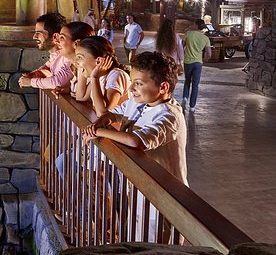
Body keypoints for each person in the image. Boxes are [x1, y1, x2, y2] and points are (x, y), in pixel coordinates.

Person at [83, 51, 187, 186]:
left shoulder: (169, 116)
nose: (131, 88)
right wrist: (97, 124)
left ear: (163, 87)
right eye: (132, 82)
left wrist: (97, 132)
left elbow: (136, 141)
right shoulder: (136, 101)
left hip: (163, 189)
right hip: (138, 182)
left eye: (138, 83)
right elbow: (111, 114)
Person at [72, 36, 131, 116]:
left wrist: (94, 78)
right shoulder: (99, 75)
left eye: (79, 57)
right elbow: (80, 97)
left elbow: (102, 113)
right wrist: (80, 67)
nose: (75, 62)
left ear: (98, 61)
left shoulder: (116, 75)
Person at [18, 12, 72, 90]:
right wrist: (32, 75)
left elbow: (58, 82)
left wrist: (30, 82)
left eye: (38, 33)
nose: (34, 37)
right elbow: (46, 68)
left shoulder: (68, 57)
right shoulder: (55, 56)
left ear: (55, 36)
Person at [182, 19, 212, 111]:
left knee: (187, 81)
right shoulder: (205, 38)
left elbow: (182, 46)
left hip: (187, 61)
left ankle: (185, 98)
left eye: (193, 23)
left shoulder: (188, 34)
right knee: (195, 85)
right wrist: (205, 59)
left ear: (196, 25)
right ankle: (192, 106)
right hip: (198, 63)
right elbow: (209, 54)